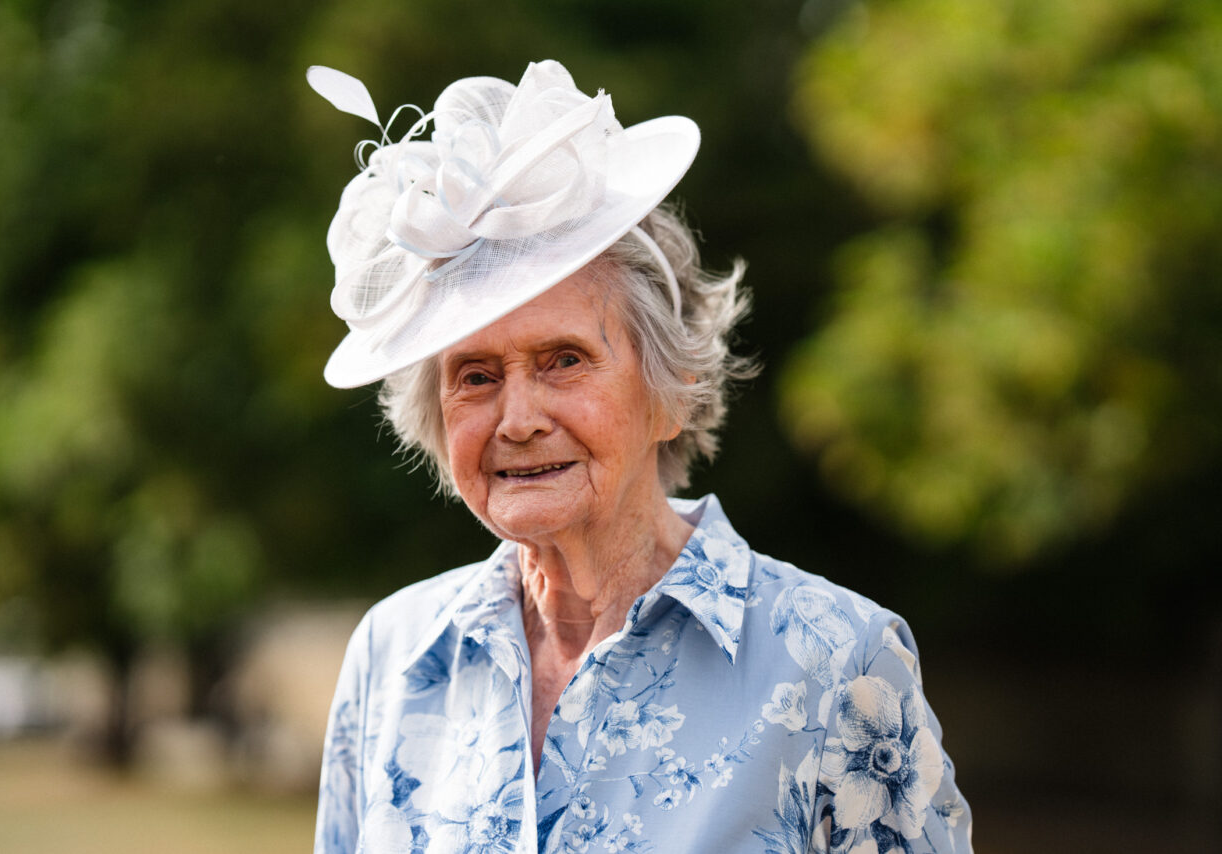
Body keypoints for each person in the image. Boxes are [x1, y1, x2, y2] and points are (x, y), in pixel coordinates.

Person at [307, 59, 972, 854]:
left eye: (564, 360)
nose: (517, 419)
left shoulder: (836, 664)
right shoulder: (394, 653)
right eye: (475, 377)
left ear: (673, 386)